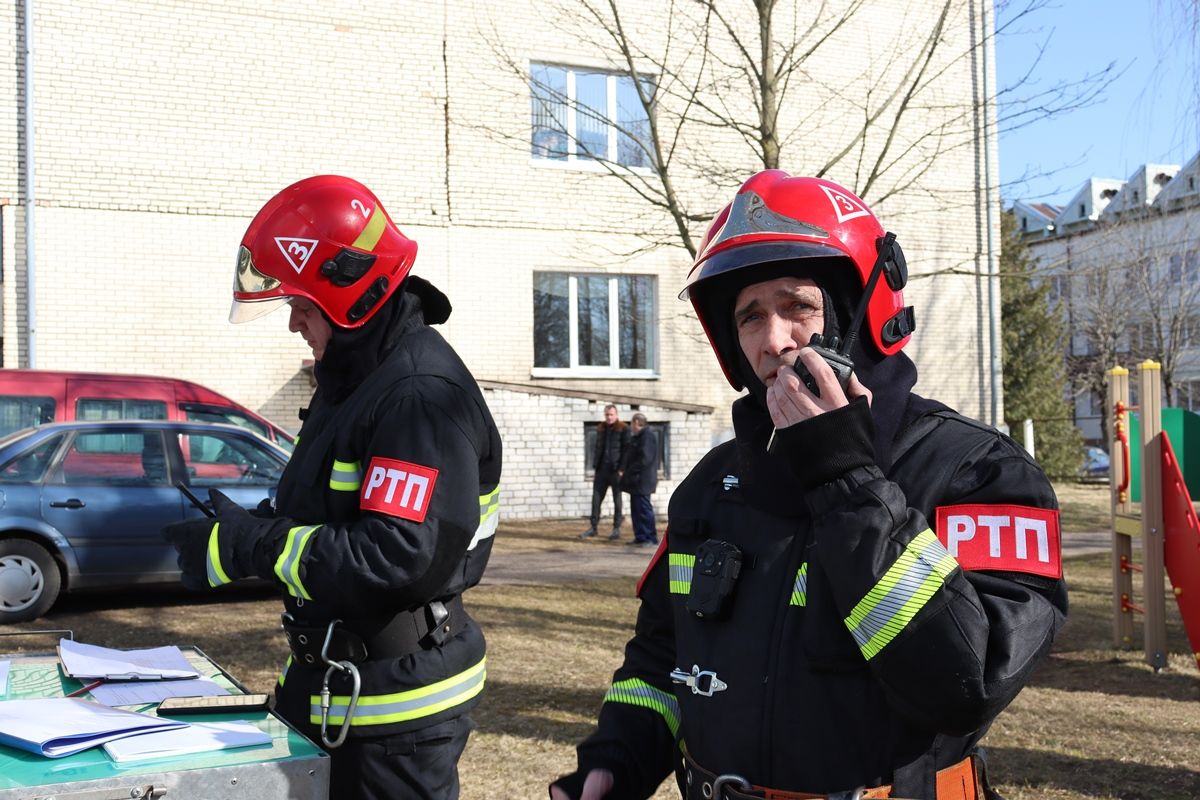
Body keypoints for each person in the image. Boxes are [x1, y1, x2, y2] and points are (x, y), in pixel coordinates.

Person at [550, 170, 1067, 800]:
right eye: (750, 317)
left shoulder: (978, 474)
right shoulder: (714, 487)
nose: (773, 341)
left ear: (859, 316)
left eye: (798, 306)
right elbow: (666, 655)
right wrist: (620, 755)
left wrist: (844, 477)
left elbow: (968, 683)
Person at [162, 175, 502, 800]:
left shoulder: (416, 395)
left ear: (347, 291)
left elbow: (401, 556)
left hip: (393, 709)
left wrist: (252, 548)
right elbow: (329, 512)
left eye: (301, 304)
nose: (293, 323)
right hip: (333, 682)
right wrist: (242, 528)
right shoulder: (354, 378)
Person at [582, 404, 630, 540]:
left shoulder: (623, 428)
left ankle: (616, 529)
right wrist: (596, 466)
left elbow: (627, 450)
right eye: (607, 415)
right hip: (601, 470)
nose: (609, 417)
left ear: (616, 415)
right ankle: (593, 527)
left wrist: (622, 469)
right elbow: (597, 448)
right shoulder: (601, 428)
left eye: (611, 414)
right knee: (596, 499)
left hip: (616, 471)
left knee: (617, 500)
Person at [619, 413, 659, 546]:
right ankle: (640, 536)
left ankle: (650, 537)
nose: (631, 426)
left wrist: (631, 470)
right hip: (636, 481)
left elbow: (645, 459)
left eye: (631, 423)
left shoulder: (647, 436)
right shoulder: (638, 437)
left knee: (644, 509)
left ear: (636, 422)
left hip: (643, 481)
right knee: (636, 510)